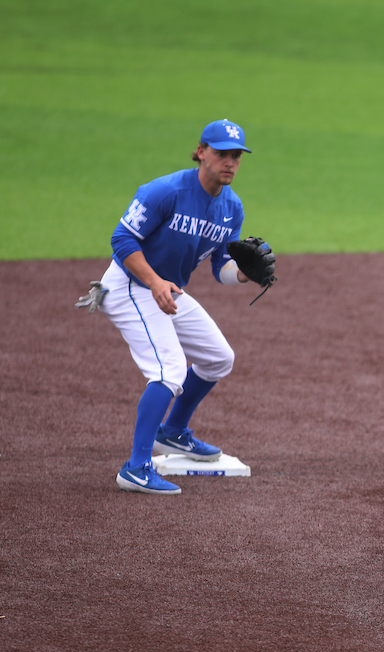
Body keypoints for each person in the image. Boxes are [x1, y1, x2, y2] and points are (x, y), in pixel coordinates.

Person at [93, 119, 263, 495]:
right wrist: (154, 282)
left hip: (166, 289)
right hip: (129, 284)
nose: (229, 162)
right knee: (169, 369)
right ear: (201, 152)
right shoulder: (165, 191)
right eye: (221, 153)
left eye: (236, 155)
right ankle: (136, 467)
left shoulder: (231, 209)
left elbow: (222, 268)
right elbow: (121, 240)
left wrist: (247, 274)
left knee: (219, 357)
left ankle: (172, 433)